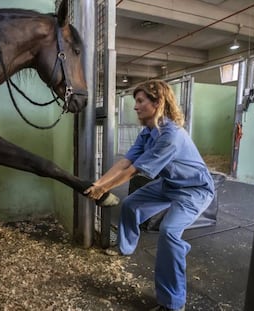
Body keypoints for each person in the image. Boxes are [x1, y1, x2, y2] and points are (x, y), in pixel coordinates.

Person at [84, 80, 215, 311]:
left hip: (194, 190)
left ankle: (173, 303)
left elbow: (134, 171)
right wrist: (98, 183)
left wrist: (104, 189)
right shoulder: (148, 132)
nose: (135, 107)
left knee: (170, 232)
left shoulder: (170, 136)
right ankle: (125, 247)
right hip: (171, 183)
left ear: (158, 103)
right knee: (131, 204)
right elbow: (125, 162)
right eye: (136, 101)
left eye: (140, 101)